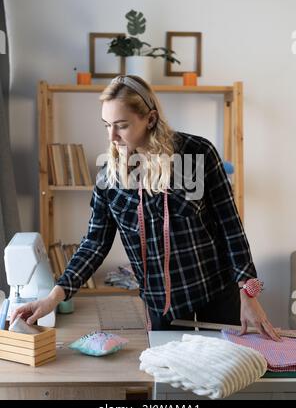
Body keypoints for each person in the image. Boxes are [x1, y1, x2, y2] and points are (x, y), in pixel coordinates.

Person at [11, 75, 280, 341]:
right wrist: (52, 298)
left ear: (150, 119)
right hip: (162, 307)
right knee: (168, 381)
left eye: (122, 125)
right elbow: (94, 244)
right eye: (106, 125)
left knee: (226, 375)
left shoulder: (198, 153)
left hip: (216, 295)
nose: (112, 136)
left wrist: (249, 292)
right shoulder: (109, 177)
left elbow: (230, 226)